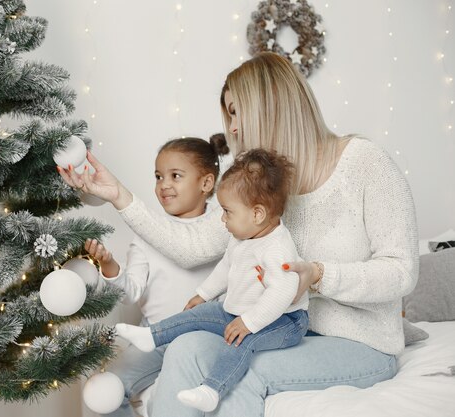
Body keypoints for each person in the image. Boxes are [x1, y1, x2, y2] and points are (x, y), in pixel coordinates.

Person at [59, 51, 418, 417]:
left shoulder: (366, 164)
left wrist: (320, 275)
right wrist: (118, 194)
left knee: (243, 370)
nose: (231, 128)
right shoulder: (262, 187)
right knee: (186, 348)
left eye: (235, 112)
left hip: (360, 344)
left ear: (270, 107)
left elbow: (402, 272)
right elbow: (193, 245)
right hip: (283, 332)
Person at [116, 148, 309, 412]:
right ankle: (152, 336)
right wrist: (203, 294)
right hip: (244, 312)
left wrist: (248, 323)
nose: (222, 218)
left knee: (243, 341)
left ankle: (212, 389)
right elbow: (225, 268)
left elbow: (283, 292)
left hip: (285, 321)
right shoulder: (242, 238)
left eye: (228, 212)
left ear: (257, 214)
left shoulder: (276, 249)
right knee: (200, 313)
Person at [82, 136, 225, 416]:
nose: (164, 185)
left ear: (206, 183)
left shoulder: (222, 226)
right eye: (159, 176)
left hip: (204, 337)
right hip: (155, 335)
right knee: (105, 389)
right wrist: (110, 265)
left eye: (176, 176)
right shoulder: (148, 231)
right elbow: (130, 292)